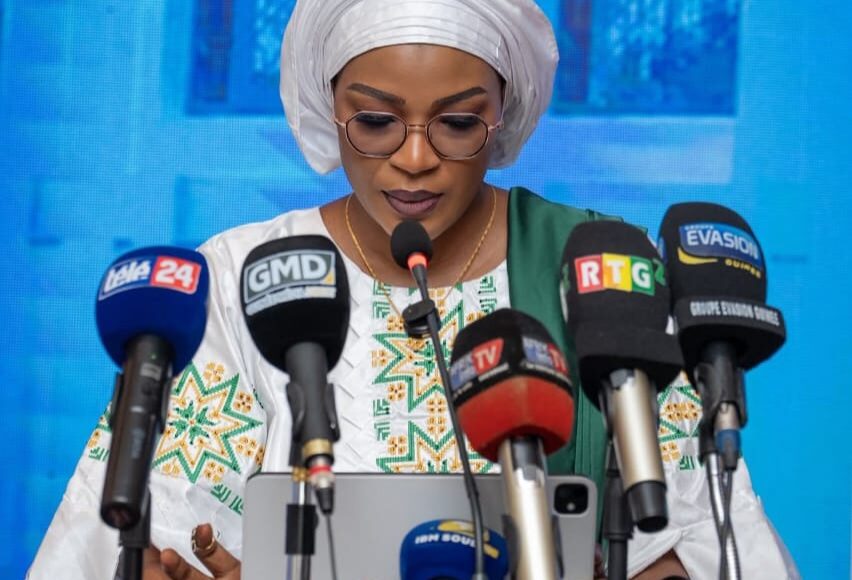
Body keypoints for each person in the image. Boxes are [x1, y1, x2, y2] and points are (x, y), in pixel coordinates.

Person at [29, 1, 796, 579]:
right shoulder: (242, 276)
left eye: (458, 123)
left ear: (502, 115)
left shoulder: (599, 272)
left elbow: (694, 541)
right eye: (375, 121)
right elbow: (150, 533)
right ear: (331, 107)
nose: (417, 158)